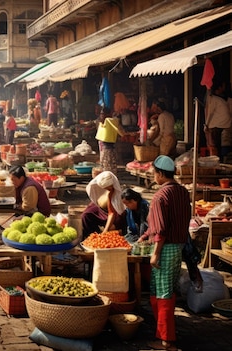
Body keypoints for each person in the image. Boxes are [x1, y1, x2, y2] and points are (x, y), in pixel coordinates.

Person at [138, 155, 191, 351]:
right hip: (177, 247)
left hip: (165, 249)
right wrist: (145, 236)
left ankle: (167, 342)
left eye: (154, 173)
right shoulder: (182, 192)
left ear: (160, 174)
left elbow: (160, 230)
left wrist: (155, 254)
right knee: (163, 292)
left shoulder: (161, 196)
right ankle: (162, 335)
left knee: (163, 294)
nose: (153, 176)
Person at [82, 171, 126, 238]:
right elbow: (96, 200)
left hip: (112, 212)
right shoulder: (96, 185)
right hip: (99, 207)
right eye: (106, 188)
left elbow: (112, 213)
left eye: (110, 188)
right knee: (86, 215)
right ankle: (91, 236)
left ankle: (102, 236)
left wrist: (106, 230)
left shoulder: (115, 193)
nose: (108, 190)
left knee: (114, 226)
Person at [204, 79, 230, 156]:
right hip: (218, 126)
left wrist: (206, 125)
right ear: (219, 88)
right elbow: (210, 112)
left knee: (218, 147)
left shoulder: (220, 99)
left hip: (221, 125)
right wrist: (206, 124)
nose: (224, 88)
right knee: (216, 147)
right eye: (223, 86)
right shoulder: (215, 99)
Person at [96, 108, 126, 174]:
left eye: (103, 114)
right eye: (101, 114)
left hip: (107, 148)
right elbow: (121, 132)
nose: (101, 115)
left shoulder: (107, 121)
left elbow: (120, 132)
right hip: (105, 148)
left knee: (107, 167)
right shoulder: (106, 122)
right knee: (108, 168)